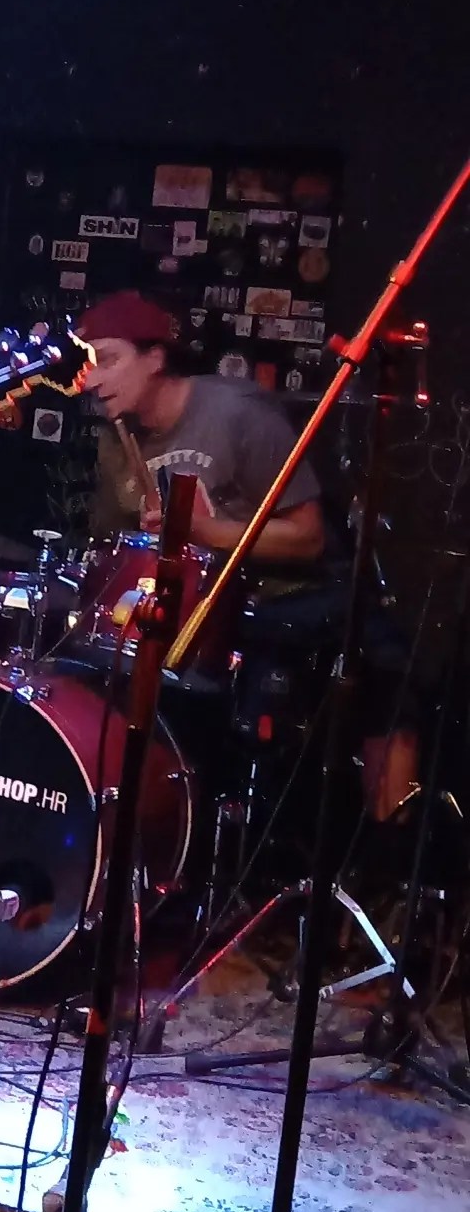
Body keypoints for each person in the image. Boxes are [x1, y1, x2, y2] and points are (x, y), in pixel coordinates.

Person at [79, 290, 419, 824]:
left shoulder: (238, 415)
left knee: (384, 671)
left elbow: (309, 538)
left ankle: (383, 844)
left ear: (155, 357)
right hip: (195, 611)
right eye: (88, 364)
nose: (93, 379)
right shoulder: (114, 437)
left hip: (288, 600)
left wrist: (203, 530)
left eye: (109, 359)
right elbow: (115, 547)